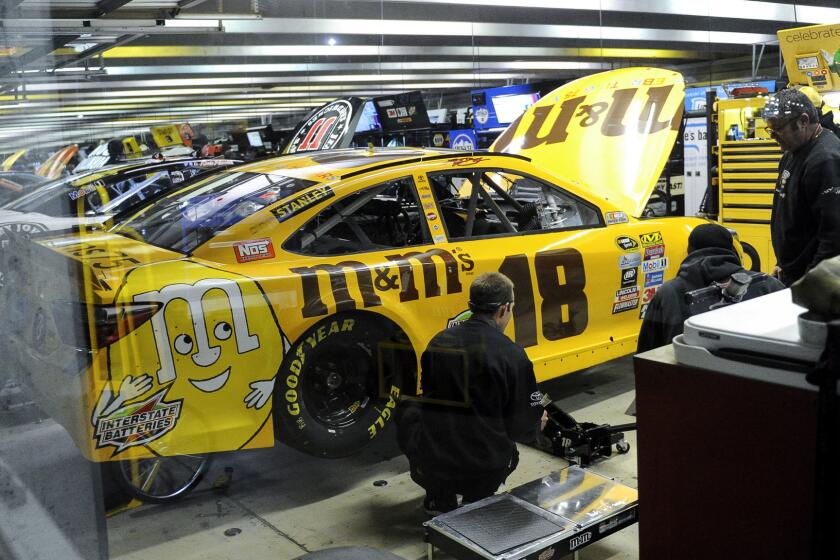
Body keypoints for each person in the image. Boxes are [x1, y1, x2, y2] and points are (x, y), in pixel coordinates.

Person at [402, 272, 547, 516]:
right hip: (482, 467)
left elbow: (428, 397)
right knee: (513, 440)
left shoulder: (439, 341)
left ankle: (439, 499)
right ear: (503, 309)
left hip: (431, 463)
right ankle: (476, 499)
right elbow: (521, 428)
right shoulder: (512, 356)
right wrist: (537, 421)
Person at [637, 223, 784, 353]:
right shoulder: (768, 285)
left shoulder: (667, 293)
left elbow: (646, 354)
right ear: (732, 251)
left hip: (686, 379)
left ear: (689, 252)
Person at [765, 88, 840, 286]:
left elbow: (834, 236)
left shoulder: (825, 159)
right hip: (793, 272)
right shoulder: (791, 153)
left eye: (778, 130)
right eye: (769, 130)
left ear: (803, 121)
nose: (773, 137)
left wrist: (809, 284)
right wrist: (784, 264)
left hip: (814, 278)